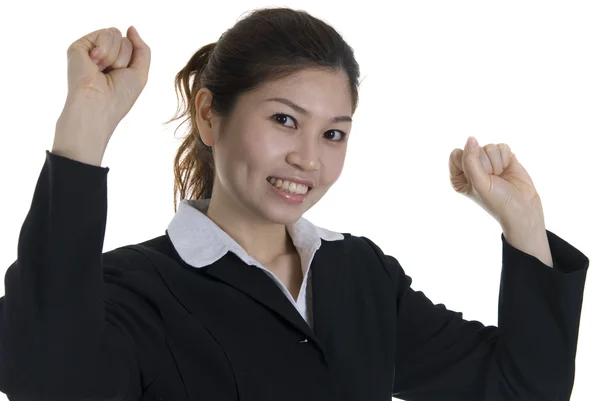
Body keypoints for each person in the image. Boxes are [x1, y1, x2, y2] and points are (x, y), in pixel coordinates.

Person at [0, 7, 589, 401]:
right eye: (284, 120)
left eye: (334, 133)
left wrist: (524, 222)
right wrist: (83, 133)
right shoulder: (134, 290)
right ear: (210, 115)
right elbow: (47, 379)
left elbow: (521, 390)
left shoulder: (359, 275)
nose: (310, 159)